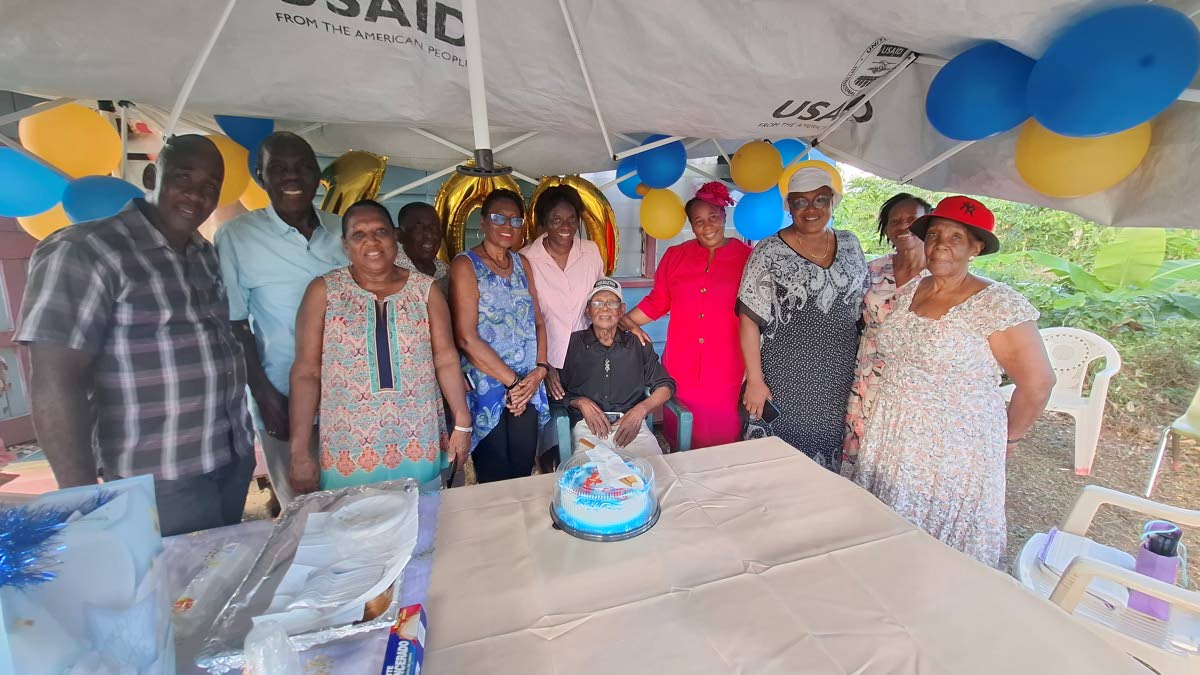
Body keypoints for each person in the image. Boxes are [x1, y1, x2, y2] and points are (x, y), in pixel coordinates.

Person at [16, 135, 254, 536]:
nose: (197, 195)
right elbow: (55, 378)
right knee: (170, 590)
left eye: (211, 186)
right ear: (152, 174)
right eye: (184, 178)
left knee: (211, 585)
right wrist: (79, 497)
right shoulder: (86, 249)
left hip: (228, 455)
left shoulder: (203, 252)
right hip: (157, 473)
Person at [853, 196, 1054, 568]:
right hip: (894, 433)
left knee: (938, 548)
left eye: (956, 238)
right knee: (888, 534)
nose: (941, 244)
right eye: (934, 235)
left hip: (952, 446)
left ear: (976, 247)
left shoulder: (997, 304)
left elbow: (1038, 383)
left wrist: (1009, 438)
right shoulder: (915, 289)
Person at [287, 200, 471, 492]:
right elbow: (306, 372)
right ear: (345, 244)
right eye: (358, 234)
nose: (371, 241)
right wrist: (298, 450)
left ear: (395, 236)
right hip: (349, 447)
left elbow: (446, 360)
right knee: (354, 527)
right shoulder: (324, 291)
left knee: (422, 526)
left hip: (417, 437)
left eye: (380, 231)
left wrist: (462, 423)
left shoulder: (425, 290)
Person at [215, 131, 346, 508]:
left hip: (351, 398)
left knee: (356, 508)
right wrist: (264, 395)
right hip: (282, 395)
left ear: (317, 175)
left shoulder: (343, 231)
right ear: (260, 175)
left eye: (303, 168)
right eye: (279, 169)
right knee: (303, 512)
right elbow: (234, 325)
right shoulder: (237, 237)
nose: (292, 177)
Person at [738, 161, 867, 472]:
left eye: (820, 199)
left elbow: (863, 306)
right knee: (776, 457)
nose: (811, 209)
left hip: (837, 376)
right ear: (790, 207)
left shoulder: (851, 243)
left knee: (828, 458)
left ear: (832, 201)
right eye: (800, 202)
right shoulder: (768, 251)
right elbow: (748, 320)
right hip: (783, 374)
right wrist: (755, 379)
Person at [620, 182, 751, 448]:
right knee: (681, 434)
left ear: (724, 216)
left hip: (727, 365)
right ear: (691, 225)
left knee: (723, 436)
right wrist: (626, 322)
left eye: (713, 217)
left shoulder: (747, 257)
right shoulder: (675, 256)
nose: (707, 226)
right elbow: (658, 302)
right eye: (698, 221)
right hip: (682, 364)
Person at [450, 189, 550, 483]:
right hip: (488, 387)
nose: (508, 226)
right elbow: (466, 337)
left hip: (527, 386)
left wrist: (540, 370)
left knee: (521, 467)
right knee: (494, 473)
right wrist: (514, 382)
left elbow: (539, 322)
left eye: (515, 220)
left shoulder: (523, 264)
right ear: (482, 223)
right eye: (499, 218)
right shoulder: (465, 265)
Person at [521, 185, 604, 467]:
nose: (565, 226)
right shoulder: (526, 259)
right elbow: (528, 319)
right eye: (556, 220)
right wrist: (545, 365)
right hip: (546, 360)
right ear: (544, 222)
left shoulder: (591, 251)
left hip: (587, 357)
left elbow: (600, 298)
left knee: (587, 435)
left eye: (571, 219)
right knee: (551, 438)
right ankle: (553, 485)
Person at [843, 193, 931, 460]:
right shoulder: (871, 270)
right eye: (895, 221)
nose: (904, 226)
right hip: (868, 372)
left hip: (915, 378)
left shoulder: (941, 275)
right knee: (863, 446)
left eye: (912, 220)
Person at [560, 279, 674, 458]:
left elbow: (665, 386)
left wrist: (640, 410)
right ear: (588, 310)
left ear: (621, 310)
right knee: (587, 479)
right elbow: (557, 390)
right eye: (598, 303)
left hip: (631, 426)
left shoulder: (638, 344)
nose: (605, 308)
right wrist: (580, 402)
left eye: (612, 303)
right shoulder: (572, 344)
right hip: (588, 427)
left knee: (656, 475)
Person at [395, 201, 450, 295]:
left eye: (435, 228)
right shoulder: (390, 273)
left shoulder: (445, 271)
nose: (429, 235)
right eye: (419, 229)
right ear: (400, 236)